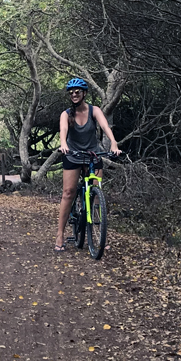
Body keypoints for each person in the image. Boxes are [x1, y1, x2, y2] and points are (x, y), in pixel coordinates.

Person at [54, 77, 121, 252]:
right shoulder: (66, 114)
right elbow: (63, 132)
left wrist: (113, 143)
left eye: (77, 92)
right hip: (73, 154)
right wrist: (63, 144)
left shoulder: (94, 110)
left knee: (97, 194)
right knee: (68, 193)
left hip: (93, 154)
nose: (74, 95)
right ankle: (60, 234)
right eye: (71, 93)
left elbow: (105, 126)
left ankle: (99, 232)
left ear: (84, 93)